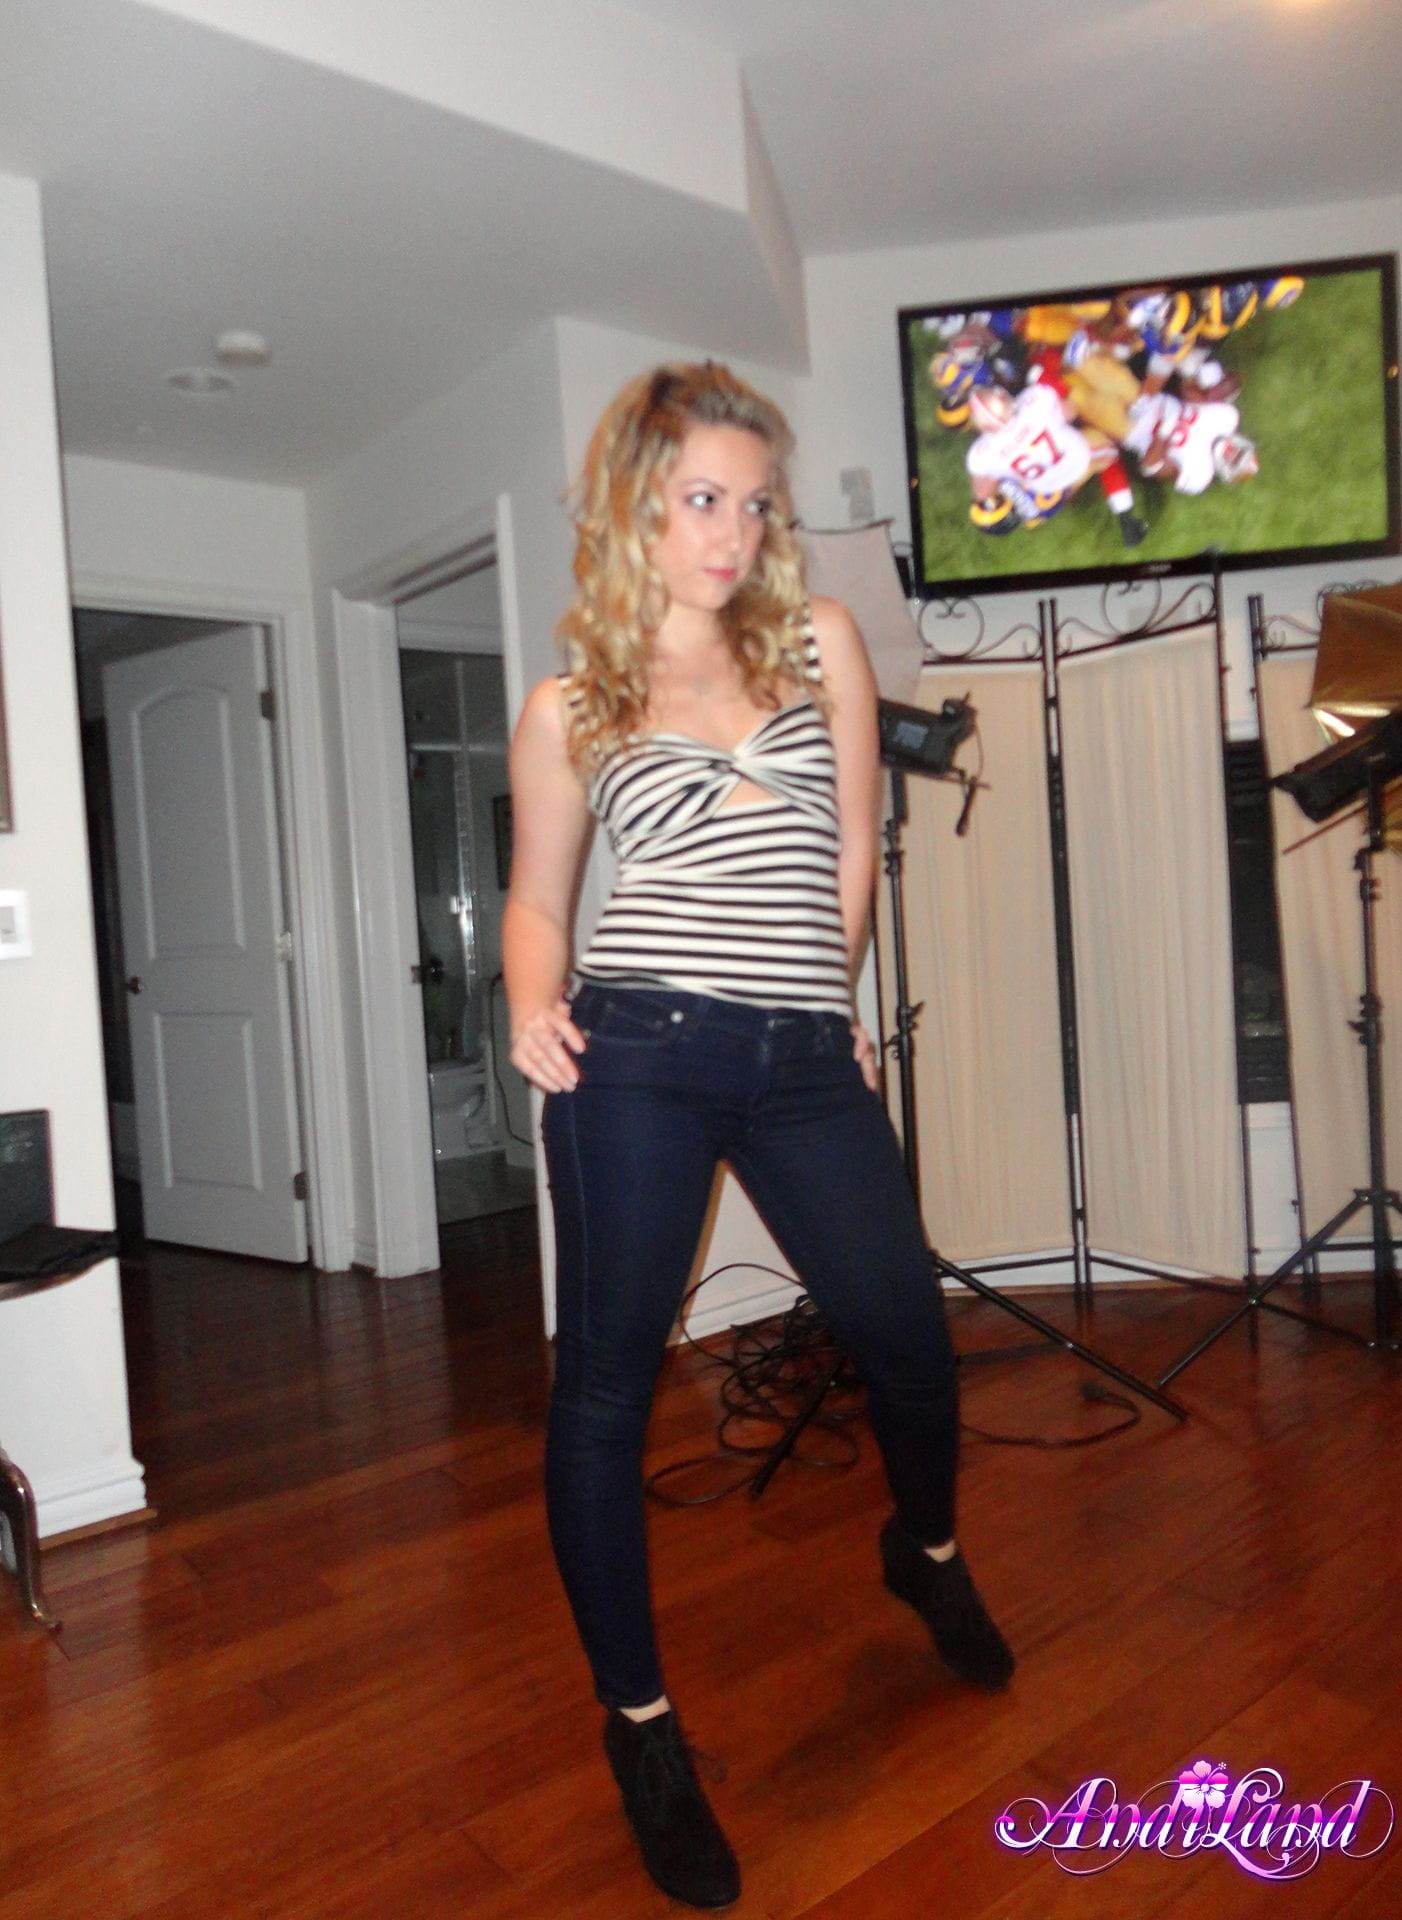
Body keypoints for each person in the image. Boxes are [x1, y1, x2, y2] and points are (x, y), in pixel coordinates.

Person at [502, 361, 1013, 1911]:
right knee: (606, 1388)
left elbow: (852, 844)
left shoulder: (820, 642)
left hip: (801, 1062)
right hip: (636, 1058)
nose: (730, 533)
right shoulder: (570, 704)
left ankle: (924, 1551)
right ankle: (641, 1728)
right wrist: (527, 1004)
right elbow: (538, 901)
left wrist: (828, 999)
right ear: (633, 511)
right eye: (698, 500)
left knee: (907, 1341)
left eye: (751, 502)